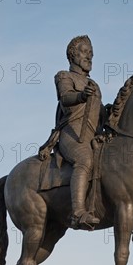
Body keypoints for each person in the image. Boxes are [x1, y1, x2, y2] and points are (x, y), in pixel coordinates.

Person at [55, 35, 106, 229]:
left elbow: (99, 112)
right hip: (71, 134)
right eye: (85, 52)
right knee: (84, 160)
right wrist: (81, 96)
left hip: (92, 135)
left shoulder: (94, 85)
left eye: (91, 53)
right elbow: (66, 98)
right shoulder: (64, 76)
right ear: (72, 55)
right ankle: (77, 213)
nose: (89, 56)